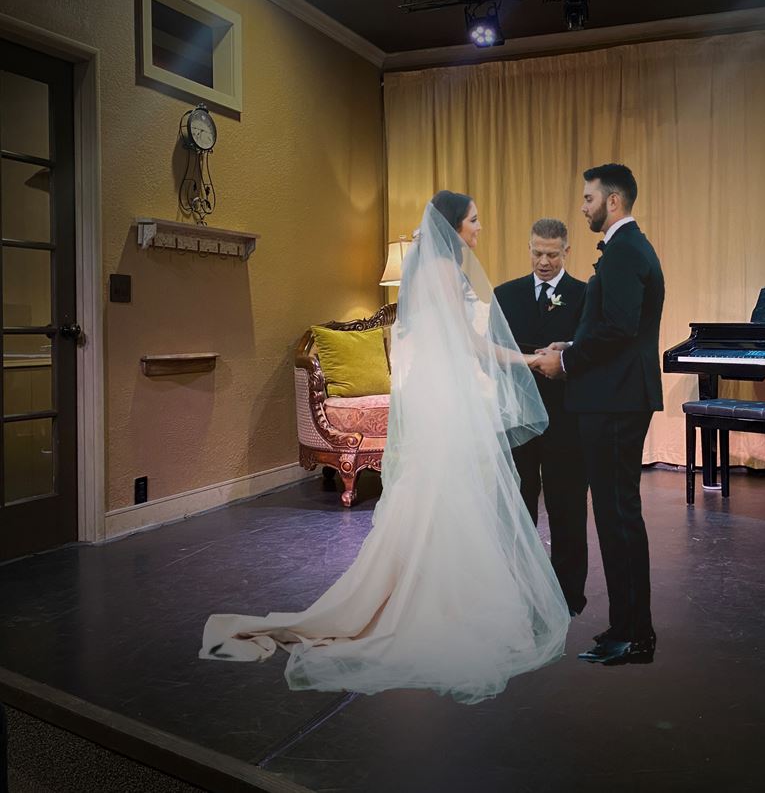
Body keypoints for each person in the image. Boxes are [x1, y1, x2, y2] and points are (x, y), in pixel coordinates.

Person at [201, 191, 570, 704]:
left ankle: (425, 590)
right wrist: (531, 361)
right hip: (449, 404)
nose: (480, 228)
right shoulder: (445, 271)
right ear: (454, 227)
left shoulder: (435, 269)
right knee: (453, 500)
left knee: (441, 501)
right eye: (474, 220)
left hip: (441, 399)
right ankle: (443, 604)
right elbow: (470, 346)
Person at [532, 164, 665, 667]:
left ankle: (634, 636)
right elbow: (614, 329)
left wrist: (565, 363)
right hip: (615, 397)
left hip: (614, 402)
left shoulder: (625, 251)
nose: (583, 205)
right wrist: (570, 346)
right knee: (614, 517)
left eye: (588, 198)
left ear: (612, 201)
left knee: (617, 519)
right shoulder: (628, 248)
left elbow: (619, 329)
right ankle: (627, 627)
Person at [494, 219, 588, 615]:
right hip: (518, 417)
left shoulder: (585, 295)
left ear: (567, 251)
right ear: (529, 248)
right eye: (537, 253)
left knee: (568, 507)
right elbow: (491, 352)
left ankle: (568, 597)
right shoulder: (505, 295)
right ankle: (520, 591)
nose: (544, 262)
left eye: (552, 254)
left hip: (567, 417)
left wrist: (568, 353)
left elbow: (593, 352)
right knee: (518, 505)